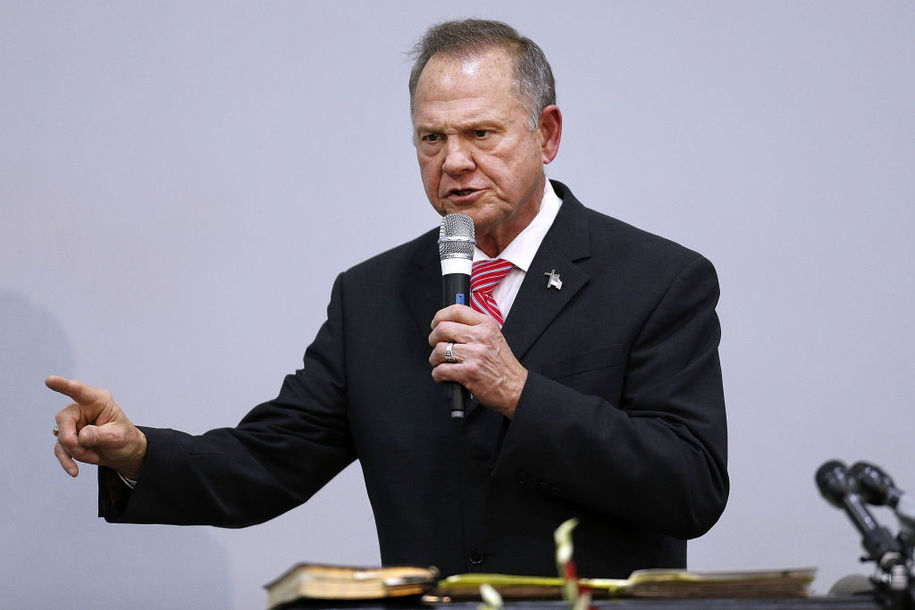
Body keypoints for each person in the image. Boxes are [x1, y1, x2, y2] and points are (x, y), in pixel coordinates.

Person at [50, 19, 728, 578]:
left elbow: (689, 488)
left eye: (480, 134)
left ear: (546, 134)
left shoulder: (656, 279)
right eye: (431, 138)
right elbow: (268, 462)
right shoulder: (373, 296)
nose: (453, 161)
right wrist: (137, 451)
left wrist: (521, 393)